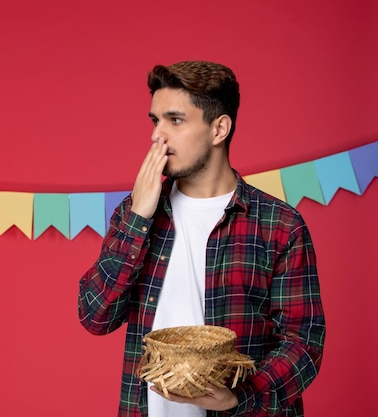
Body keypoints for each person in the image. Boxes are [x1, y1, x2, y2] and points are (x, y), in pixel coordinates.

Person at [77, 61, 326, 417]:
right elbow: (95, 317)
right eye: (155, 120)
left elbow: (305, 342)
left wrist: (240, 397)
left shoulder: (280, 225)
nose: (156, 136)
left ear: (219, 129)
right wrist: (138, 220)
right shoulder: (136, 215)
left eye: (175, 120)